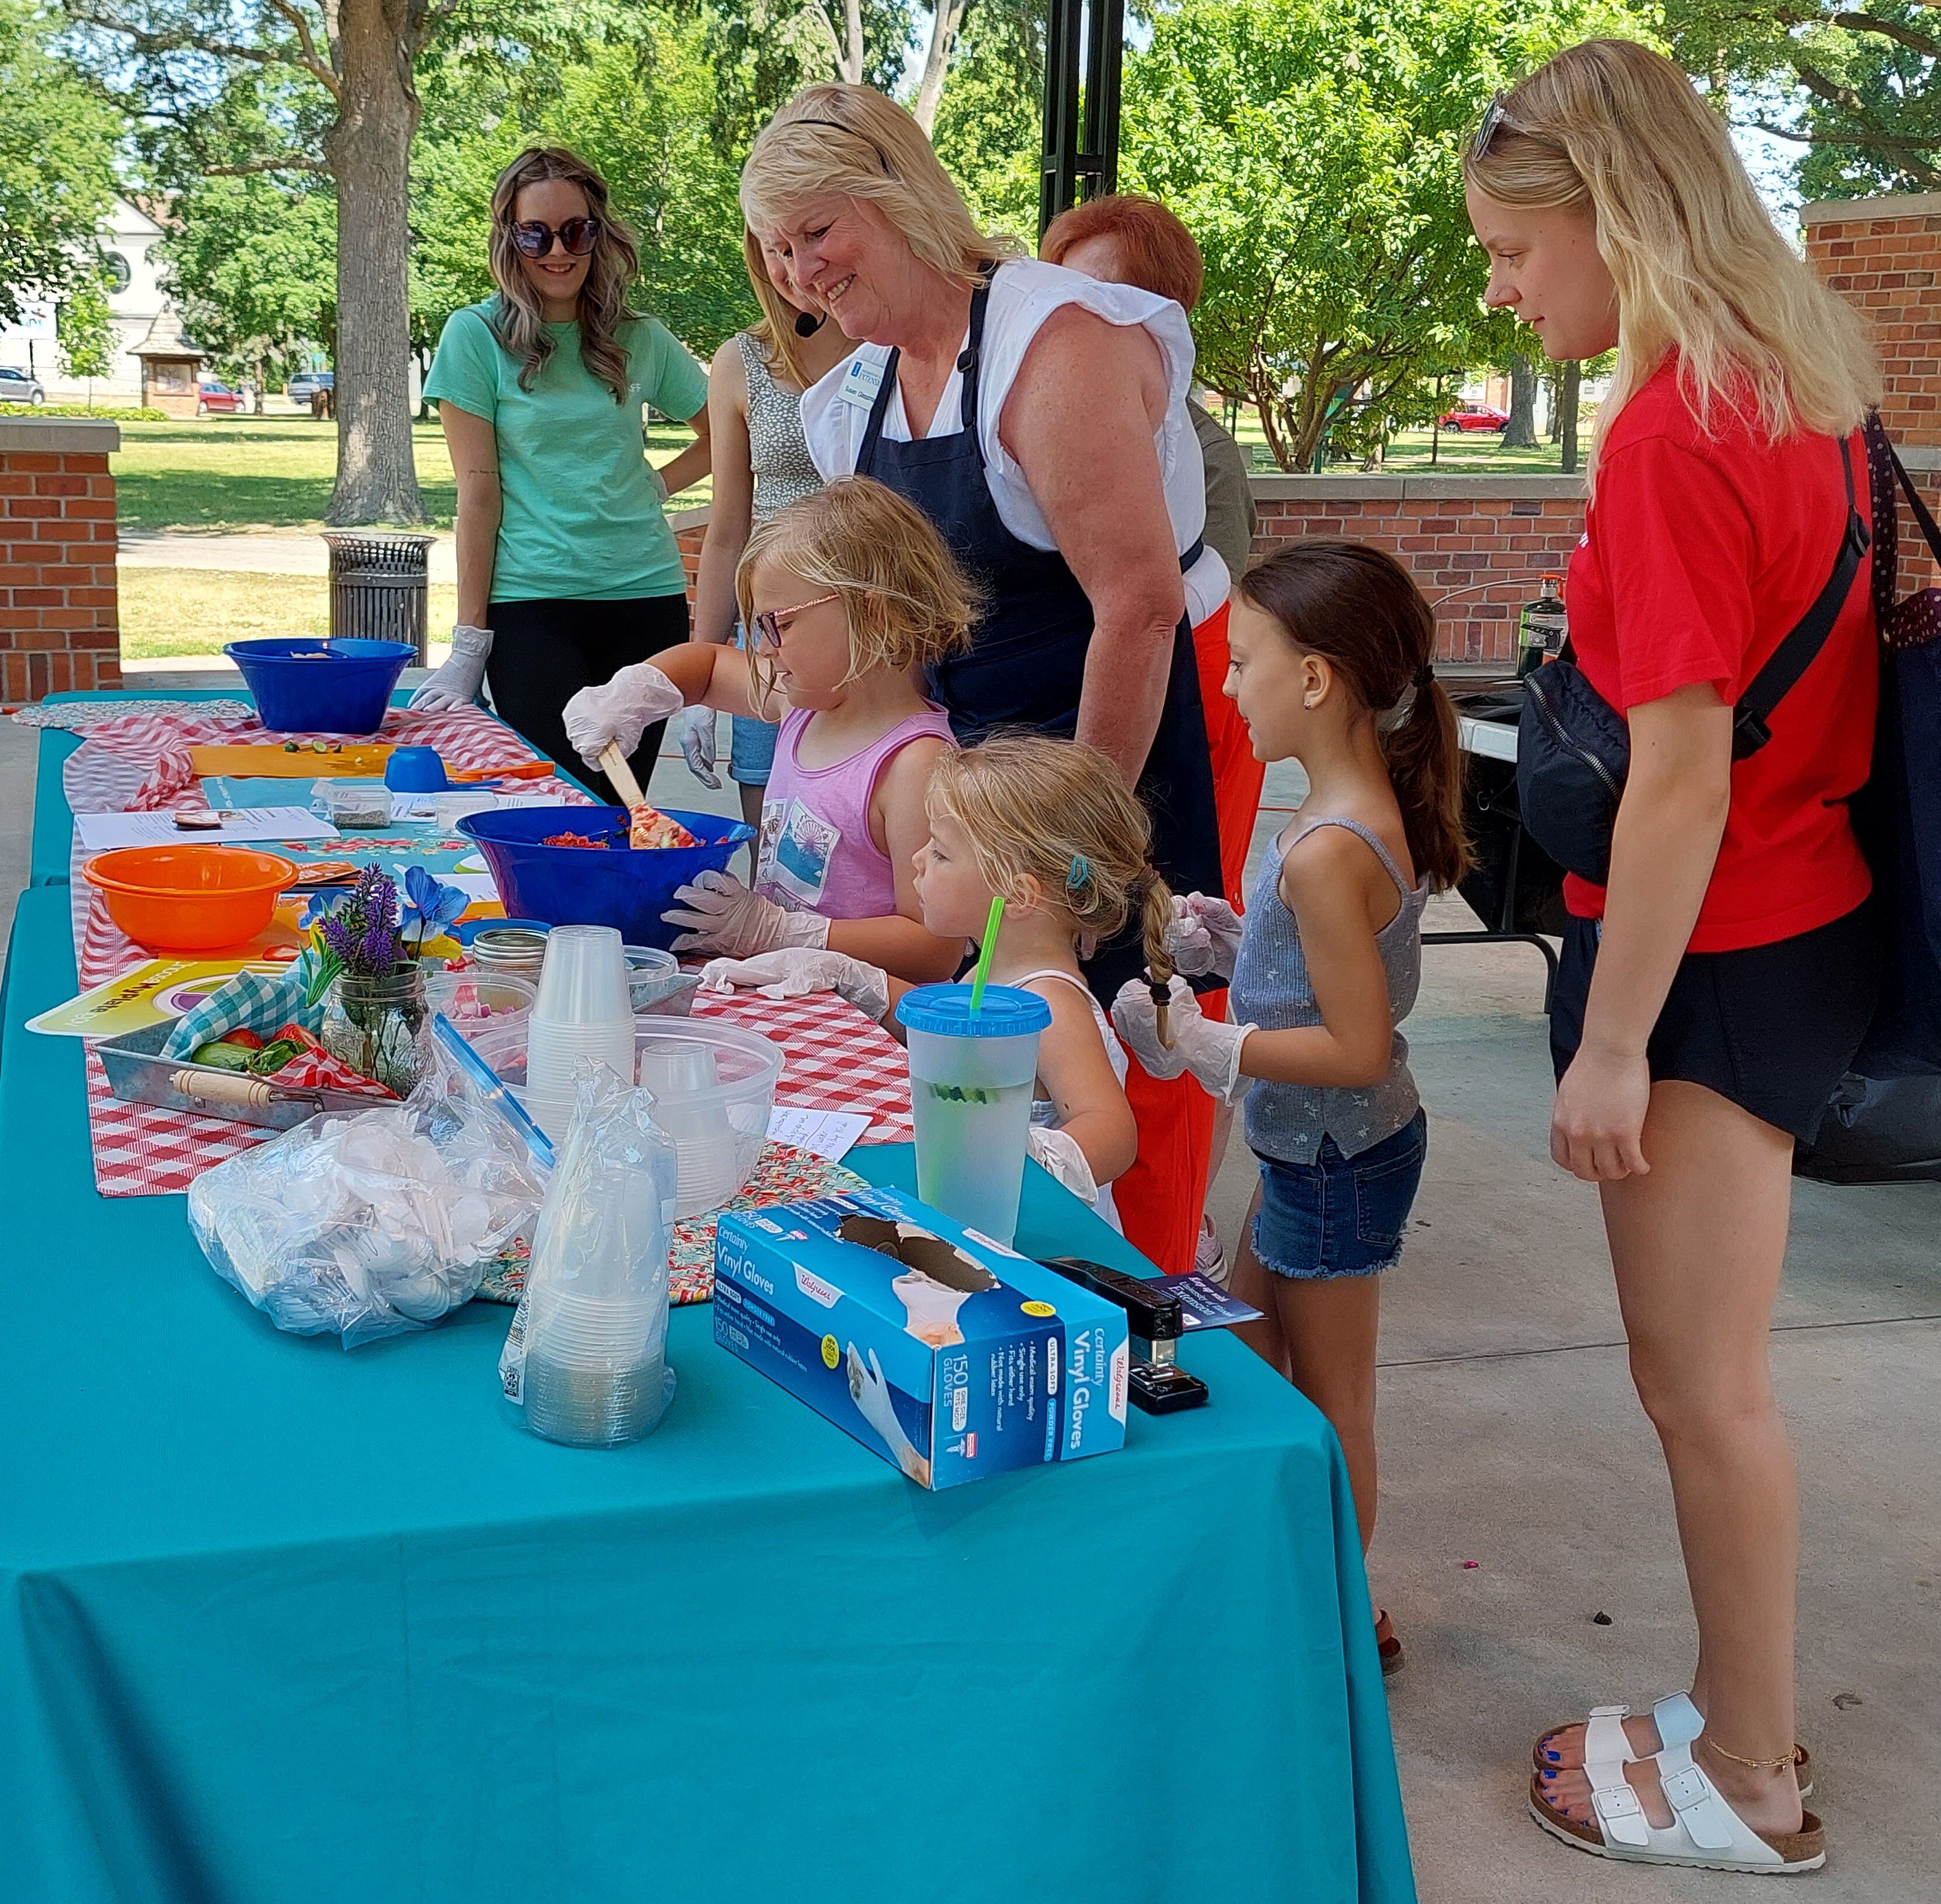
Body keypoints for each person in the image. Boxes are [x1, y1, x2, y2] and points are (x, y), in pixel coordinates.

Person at [1465, 39, 1881, 1875]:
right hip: (1802, 921)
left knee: (1698, 1388)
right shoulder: (1811, 395)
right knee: (1703, 1379)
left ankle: (1753, 1768)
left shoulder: (1670, 429)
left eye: (1509, 251)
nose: (1500, 287)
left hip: (1709, 955)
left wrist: (1610, 1037)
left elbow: (1679, 774)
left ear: (1608, 220)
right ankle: (1732, 1717)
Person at [739, 82, 1226, 1275]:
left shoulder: (1050, 346)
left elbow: (1140, 606)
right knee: (985, 1072)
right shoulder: (851, 403)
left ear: (897, 193)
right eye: (778, 251)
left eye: (817, 234)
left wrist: (1074, 849)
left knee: (1121, 1061)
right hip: (979, 791)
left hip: (1109, 749)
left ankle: (1157, 1332)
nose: (799, 275)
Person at [1113, 540, 1466, 1678]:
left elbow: (1358, 1043)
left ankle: (1341, 1612)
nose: (1225, 684)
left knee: (1332, 1398)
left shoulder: (1328, 845)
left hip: (1335, 1153)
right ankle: (1287, 1568)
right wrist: (1233, 938)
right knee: (1246, 1357)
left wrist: (1215, 1041)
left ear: (1315, 679)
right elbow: (1321, 969)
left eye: (1243, 661)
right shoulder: (1332, 815)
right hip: (1308, 1147)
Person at [1041, 189, 1266, 1281]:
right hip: (1081, 776)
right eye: (1067, 292)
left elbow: (1169, 614)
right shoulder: (1043, 420)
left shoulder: (1194, 451)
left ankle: (1171, 1259)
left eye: (1114, 296)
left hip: (1179, 776)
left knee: (1170, 1002)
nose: (1085, 317)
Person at [699, 731, 1171, 1227]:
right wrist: (853, 978)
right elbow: (958, 1035)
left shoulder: (1050, 1000)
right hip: (973, 1216)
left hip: (1035, 1239)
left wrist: (1027, 1159)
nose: (918, 861)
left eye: (941, 853)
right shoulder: (995, 967)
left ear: (1016, 896)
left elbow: (1113, 1130)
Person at [563, 476, 965, 982]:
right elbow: (706, 668)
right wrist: (636, 691)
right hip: (783, 994)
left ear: (872, 615)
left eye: (781, 624)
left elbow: (936, 947)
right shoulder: (806, 704)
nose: (766, 649)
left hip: (860, 1025)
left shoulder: (915, 765)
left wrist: (782, 930)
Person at [414, 147, 711, 808]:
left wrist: (655, 486)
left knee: (620, 806)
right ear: (508, 237)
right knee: (554, 805)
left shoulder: (640, 338)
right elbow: (479, 493)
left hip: (646, 600)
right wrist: (470, 640)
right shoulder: (474, 336)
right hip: (531, 606)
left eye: (576, 231)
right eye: (535, 233)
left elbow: (723, 435)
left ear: (598, 235)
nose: (558, 251)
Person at [682, 229, 855, 830]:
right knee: (771, 842)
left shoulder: (887, 343)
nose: (794, 268)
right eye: (774, 253)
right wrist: (702, 674)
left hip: (871, 628)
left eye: (804, 243)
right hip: (772, 637)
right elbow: (727, 530)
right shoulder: (741, 361)